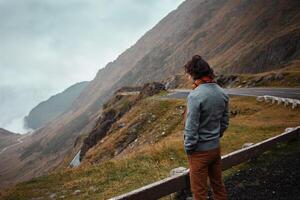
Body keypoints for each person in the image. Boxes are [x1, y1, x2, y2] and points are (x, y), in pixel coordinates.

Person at [183, 55, 229, 200]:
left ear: (193, 73)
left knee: (199, 192)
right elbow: (225, 122)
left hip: (199, 152)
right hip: (215, 148)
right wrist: (215, 137)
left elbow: (191, 126)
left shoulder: (195, 96)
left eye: (188, 73)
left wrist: (190, 148)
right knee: (218, 186)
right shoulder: (222, 93)